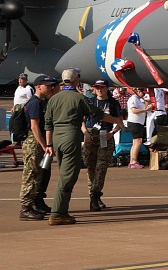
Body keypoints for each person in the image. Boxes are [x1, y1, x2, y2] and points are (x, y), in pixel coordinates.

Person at [44, 70, 122, 224]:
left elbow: (48, 124)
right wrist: (116, 121)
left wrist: (49, 144)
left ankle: (61, 211)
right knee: (68, 176)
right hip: (70, 137)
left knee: (64, 173)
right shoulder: (80, 98)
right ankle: (57, 212)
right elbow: (97, 114)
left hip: (57, 138)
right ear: (76, 80)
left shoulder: (53, 99)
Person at [18, 75, 57, 221]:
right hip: (34, 142)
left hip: (38, 142)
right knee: (31, 174)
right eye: (47, 85)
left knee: (41, 173)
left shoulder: (42, 102)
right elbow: (35, 126)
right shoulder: (35, 103)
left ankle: (36, 201)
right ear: (39, 86)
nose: (50, 88)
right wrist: (44, 145)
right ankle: (25, 207)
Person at [82, 80, 123, 211]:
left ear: (107, 89)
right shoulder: (90, 101)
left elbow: (120, 122)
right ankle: (94, 195)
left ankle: (94, 196)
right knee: (91, 166)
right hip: (91, 135)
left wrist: (112, 133)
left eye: (102, 87)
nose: (99, 90)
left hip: (105, 135)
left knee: (101, 167)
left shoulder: (113, 103)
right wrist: (85, 133)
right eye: (97, 87)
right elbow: (81, 120)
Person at [125, 88, 151, 168]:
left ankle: (132, 161)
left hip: (138, 122)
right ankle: (133, 161)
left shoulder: (139, 99)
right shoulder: (134, 98)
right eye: (143, 93)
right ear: (139, 91)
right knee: (138, 141)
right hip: (134, 122)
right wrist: (145, 110)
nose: (144, 95)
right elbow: (134, 110)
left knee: (135, 142)